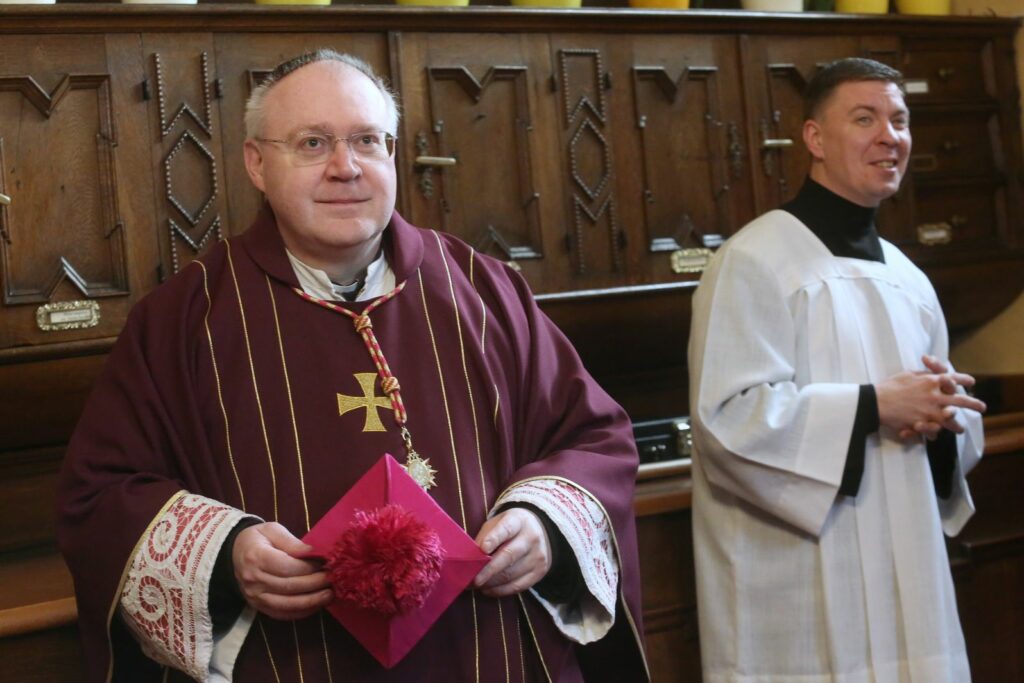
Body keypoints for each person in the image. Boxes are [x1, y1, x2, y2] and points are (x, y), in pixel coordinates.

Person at [57, 50, 648, 683]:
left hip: (490, 655)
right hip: (290, 664)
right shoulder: (185, 319)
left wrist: (543, 524)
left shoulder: (486, 292)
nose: (346, 167)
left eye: (368, 140)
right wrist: (227, 554)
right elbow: (101, 496)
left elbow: (596, 441)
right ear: (256, 163)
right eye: (313, 143)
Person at [688, 57, 987, 682]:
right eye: (865, 118)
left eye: (900, 120)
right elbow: (727, 423)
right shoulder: (754, 260)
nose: (890, 137)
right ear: (815, 139)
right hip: (803, 579)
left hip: (908, 564)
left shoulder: (909, 279)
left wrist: (943, 416)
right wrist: (876, 406)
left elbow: (950, 445)